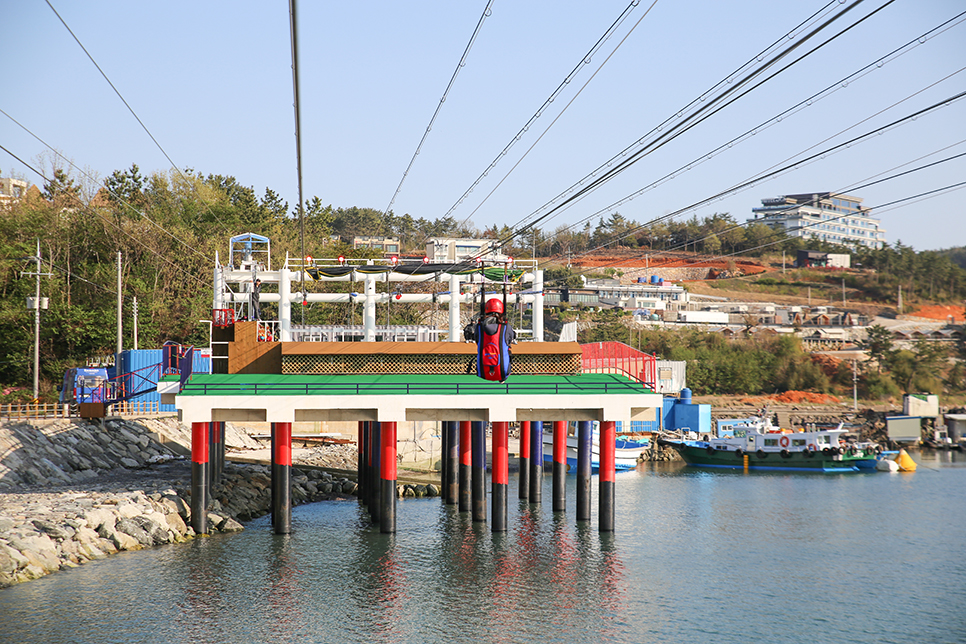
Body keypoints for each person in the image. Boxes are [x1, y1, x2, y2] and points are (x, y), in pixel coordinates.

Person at [474, 297, 514, 381]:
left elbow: (476, 339)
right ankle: (502, 377)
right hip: (502, 371)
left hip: (483, 371)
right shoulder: (505, 327)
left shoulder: (480, 327)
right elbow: (511, 337)